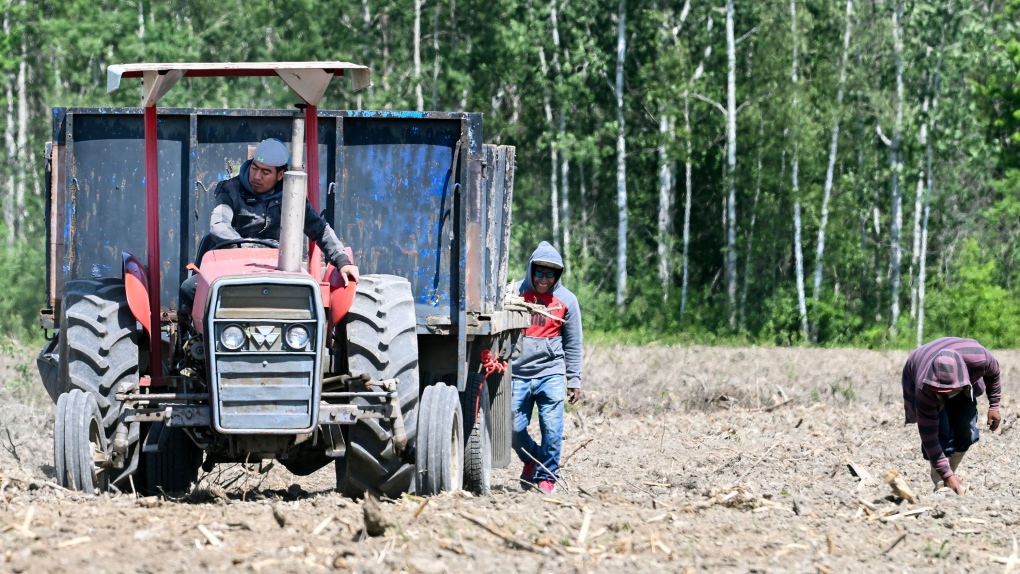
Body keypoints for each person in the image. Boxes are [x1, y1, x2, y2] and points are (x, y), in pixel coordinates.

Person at [179, 138, 359, 319]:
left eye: (265, 172)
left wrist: (342, 261)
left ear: (280, 175)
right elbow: (219, 225)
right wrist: (245, 251)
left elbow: (320, 229)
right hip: (233, 262)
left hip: (276, 266)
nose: (257, 176)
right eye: (255, 168)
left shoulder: (292, 197)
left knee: (310, 300)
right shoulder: (230, 190)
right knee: (190, 288)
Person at [512, 241, 583, 494]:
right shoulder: (514, 294)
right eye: (539, 272)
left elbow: (573, 343)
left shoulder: (566, 301)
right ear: (531, 270)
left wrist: (574, 379)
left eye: (549, 274)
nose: (543, 279)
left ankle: (548, 476)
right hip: (517, 373)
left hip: (550, 373)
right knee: (513, 428)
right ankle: (532, 459)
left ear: (558, 274)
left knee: (552, 428)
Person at [901, 337, 1002, 495]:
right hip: (922, 367)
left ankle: (949, 476)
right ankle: (941, 480)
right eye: (941, 393)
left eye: (949, 391)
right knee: (942, 433)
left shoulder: (979, 359)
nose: (946, 396)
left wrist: (994, 405)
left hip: (961, 382)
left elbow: (994, 373)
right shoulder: (925, 388)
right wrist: (947, 476)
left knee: (966, 432)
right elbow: (929, 436)